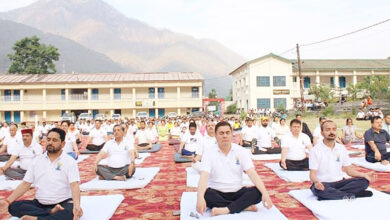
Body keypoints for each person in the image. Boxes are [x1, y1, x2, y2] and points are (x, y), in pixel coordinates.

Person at [1, 128, 83, 219]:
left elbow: (74, 185)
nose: (50, 142)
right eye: (48, 139)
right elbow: (26, 183)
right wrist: (8, 201)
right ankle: (50, 213)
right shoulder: (37, 161)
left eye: (54, 140)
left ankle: (38, 218)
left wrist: (77, 206)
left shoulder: (69, 161)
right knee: (14, 206)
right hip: (39, 204)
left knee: (69, 212)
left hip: (62, 202)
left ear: (63, 144)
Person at [196, 121, 273, 217]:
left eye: (227, 133)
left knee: (258, 192)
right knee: (206, 195)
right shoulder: (209, 153)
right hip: (217, 192)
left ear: (232, 134)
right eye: (221, 133)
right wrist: (200, 197)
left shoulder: (241, 151)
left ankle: (225, 209)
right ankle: (244, 207)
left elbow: (252, 173)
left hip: (238, 192)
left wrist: (265, 193)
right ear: (215, 135)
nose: (225, 136)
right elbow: (204, 176)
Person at [310, 120, 373, 200]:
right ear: (322, 133)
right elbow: (312, 174)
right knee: (319, 190)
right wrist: (316, 183)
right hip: (323, 183)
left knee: (364, 182)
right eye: (328, 130)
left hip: (340, 182)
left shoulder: (341, 148)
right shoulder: (315, 150)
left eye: (334, 129)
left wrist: (364, 175)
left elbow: (349, 171)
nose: (331, 132)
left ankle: (335, 194)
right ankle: (353, 194)